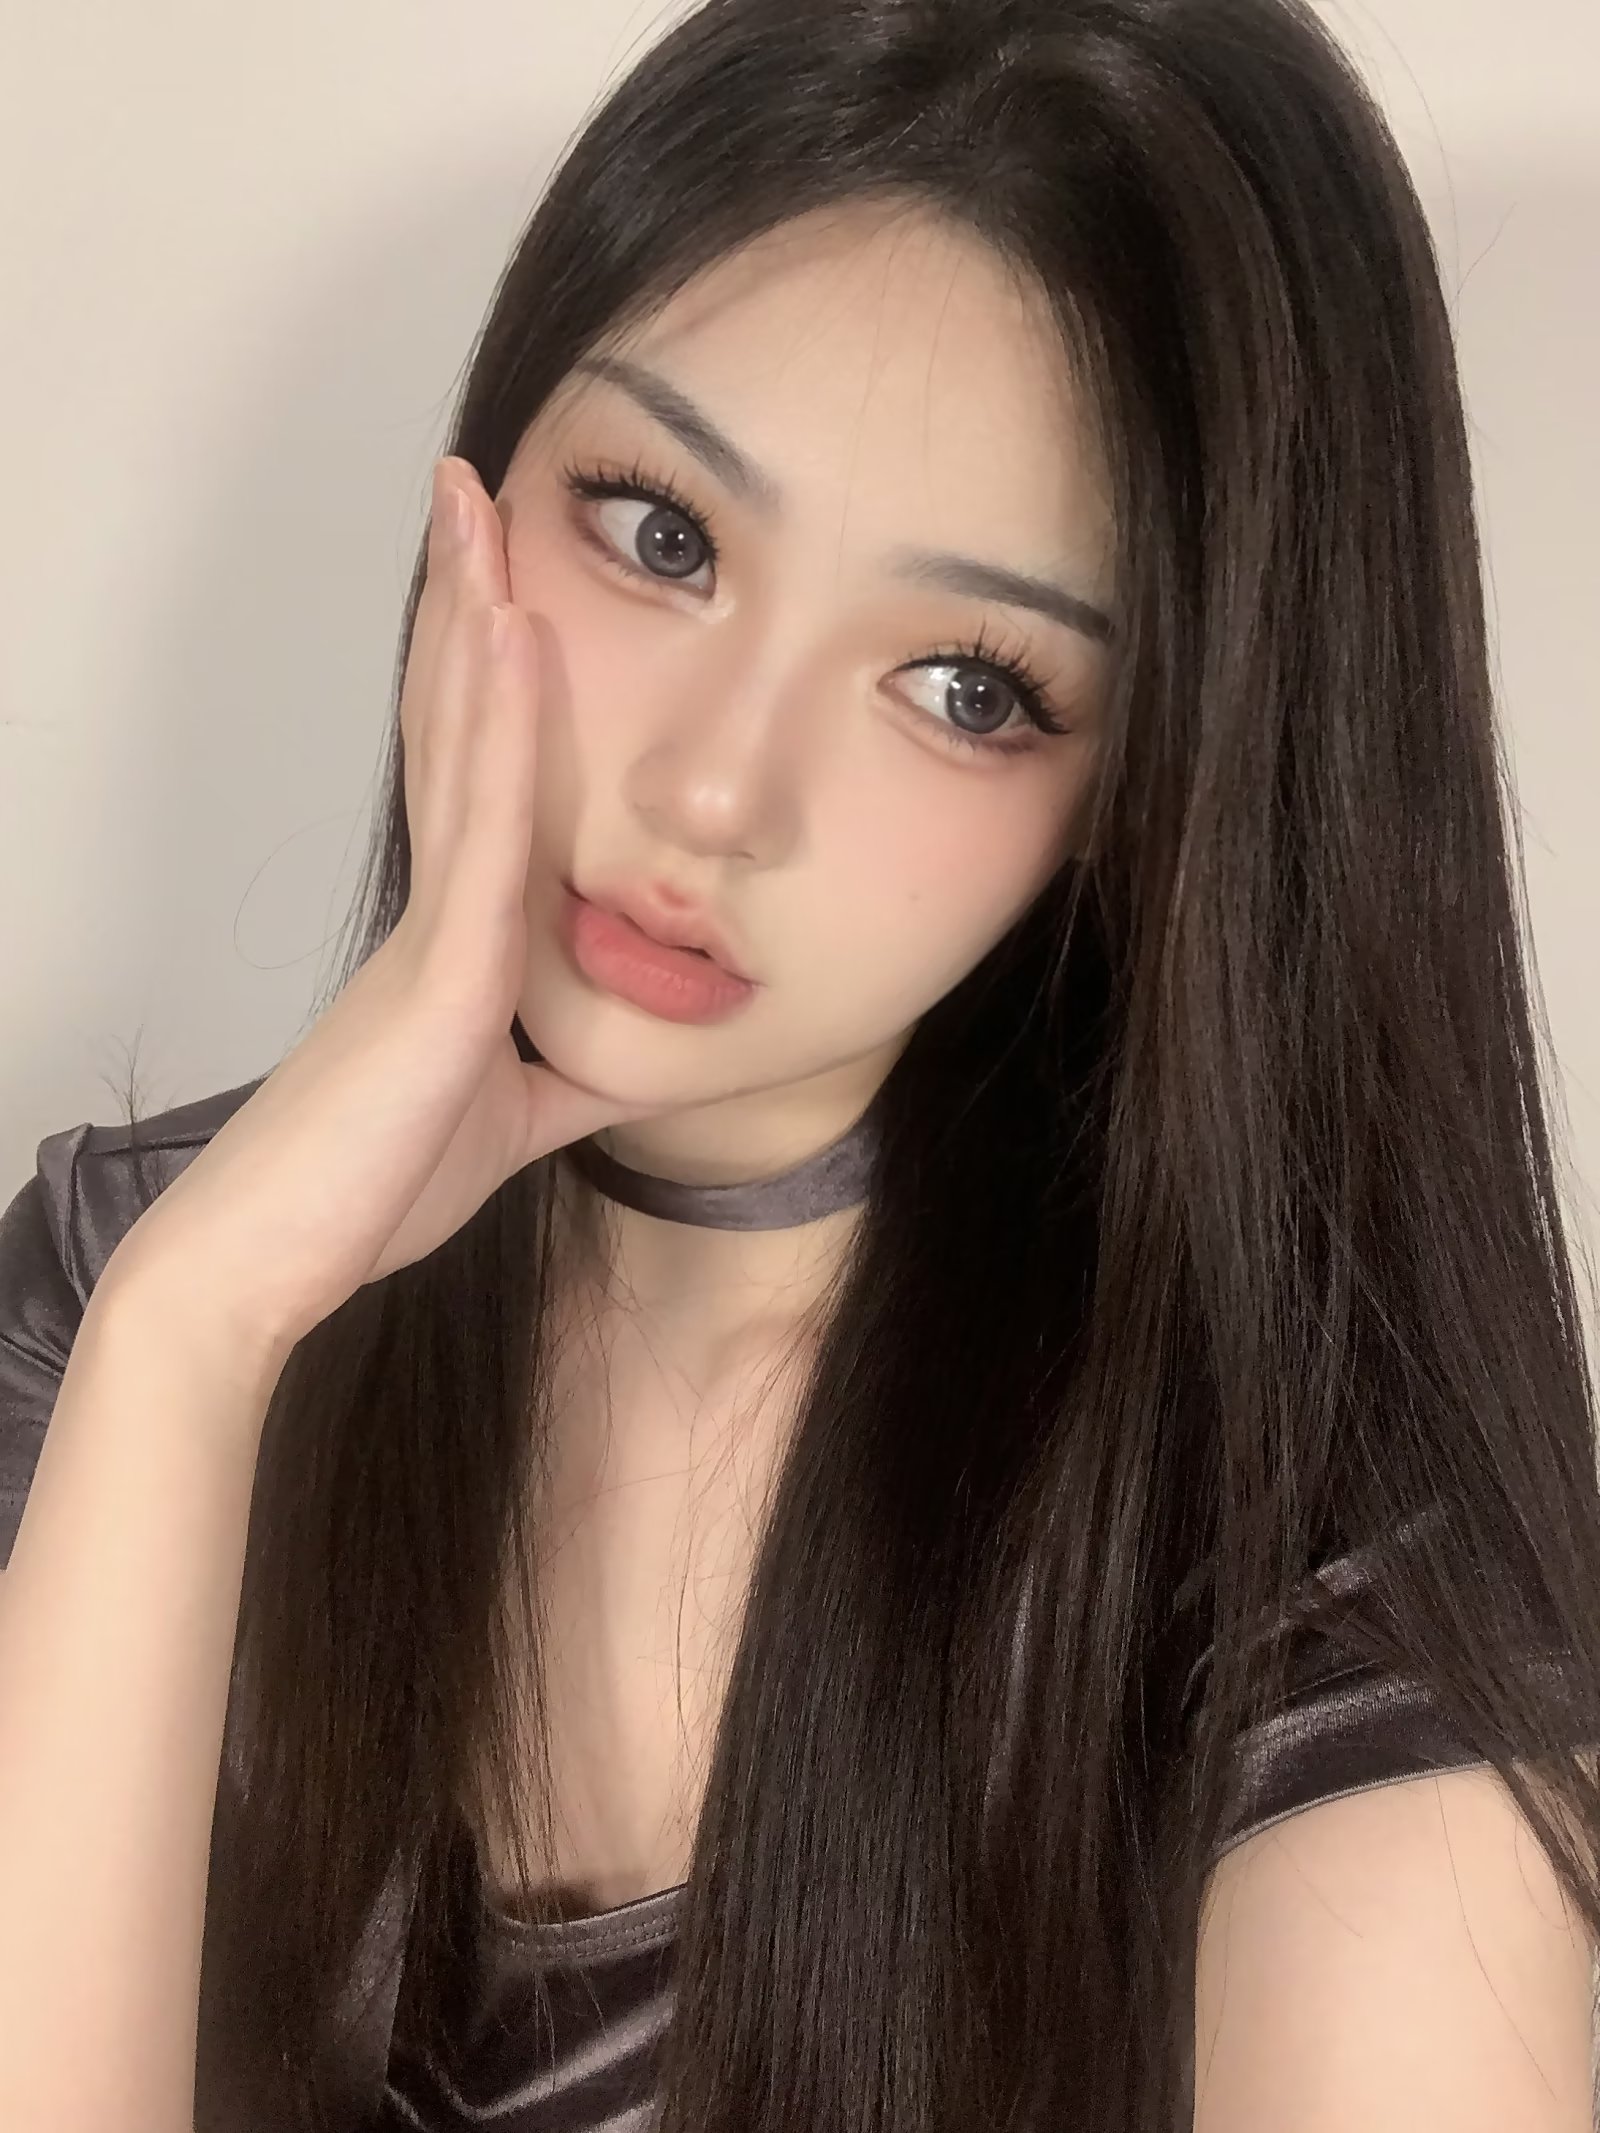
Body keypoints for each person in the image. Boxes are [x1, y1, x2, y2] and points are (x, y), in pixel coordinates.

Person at [4, 0, 1600, 2128]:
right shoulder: (124, 1290)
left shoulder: (1311, 1576)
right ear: (478, 486)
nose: (714, 793)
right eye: (661, 534)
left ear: (1150, 793)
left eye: (966, 685)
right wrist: (193, 1339)